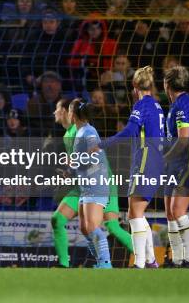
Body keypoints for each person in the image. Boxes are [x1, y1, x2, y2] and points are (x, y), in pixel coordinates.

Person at [51, 98, 133, 268]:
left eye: (57, 109)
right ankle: (65, 265)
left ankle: (144, 258)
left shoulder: (83, 131)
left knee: (111, 227)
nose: (54, 112)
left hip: (101, 183)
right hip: (81, 186)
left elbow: (92, 158)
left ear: (69, 112)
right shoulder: (70, 134)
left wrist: (74, 162)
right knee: (61, 220)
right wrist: (69, 172)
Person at [96, 66, 164, 269]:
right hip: (154, 161)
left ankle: (141, 263)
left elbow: (130, 130)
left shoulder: (141, 105)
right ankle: (150, 261)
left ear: (135, 87)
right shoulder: (158, 106)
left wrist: (103, 144)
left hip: (145, 160)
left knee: (134, 214)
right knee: (137, 213)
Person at [163, 66, 189, 268]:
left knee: (177, 211)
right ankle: (177, 260)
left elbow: (184, 139)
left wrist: (165, 158)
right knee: (169, 213)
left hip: (188, 162)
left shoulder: (182, 105)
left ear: (167, 84)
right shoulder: (177, 104)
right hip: (175, 163)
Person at [67, 98, 113, 268]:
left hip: (96, 184)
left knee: (92, 226)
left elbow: (94, 156)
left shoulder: (89, 131)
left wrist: (75, 161)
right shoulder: (80, 132)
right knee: (85, 228)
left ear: (73, 114)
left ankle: (106, 264)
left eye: (69, 111)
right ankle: (99, 262)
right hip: (85, 186)